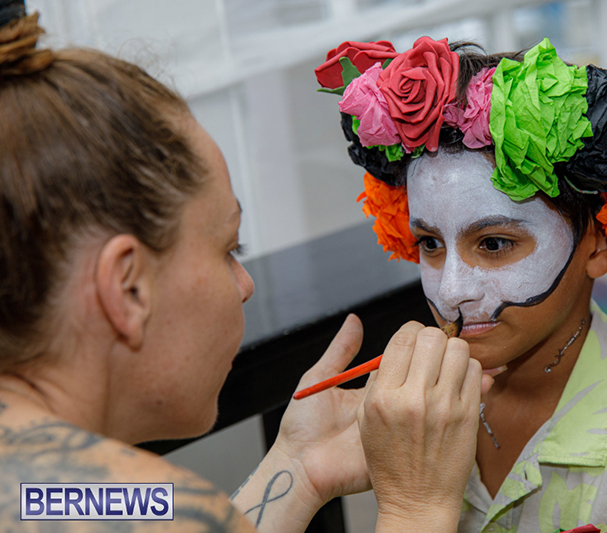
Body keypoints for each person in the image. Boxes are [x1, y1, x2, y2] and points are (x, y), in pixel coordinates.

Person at [0, 3, 492, 531]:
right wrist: (416, 505)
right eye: (229, 249)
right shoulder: (165, 513)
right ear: (128, 288)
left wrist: (298, 467)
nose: (245, 285)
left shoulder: (56, 495)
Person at [317, 36, 607, 532]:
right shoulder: (412, 418)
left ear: (599, 243)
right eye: (430, 244)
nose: (451, 291)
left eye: (494, 244)